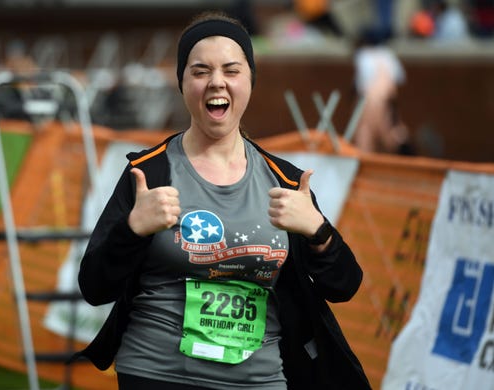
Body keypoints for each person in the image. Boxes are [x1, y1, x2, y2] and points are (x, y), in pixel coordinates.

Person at [70, 11, 370, 390]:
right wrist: (132, 230)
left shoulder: (285, 182)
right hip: (155, 373)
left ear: (250, 80)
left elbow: (345, 286)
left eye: (231, 70)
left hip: (260, 380)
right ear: (182, 83)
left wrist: (319, 232)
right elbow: (94, 287)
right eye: (200, 71)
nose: (217, 83)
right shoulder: (150, 174)